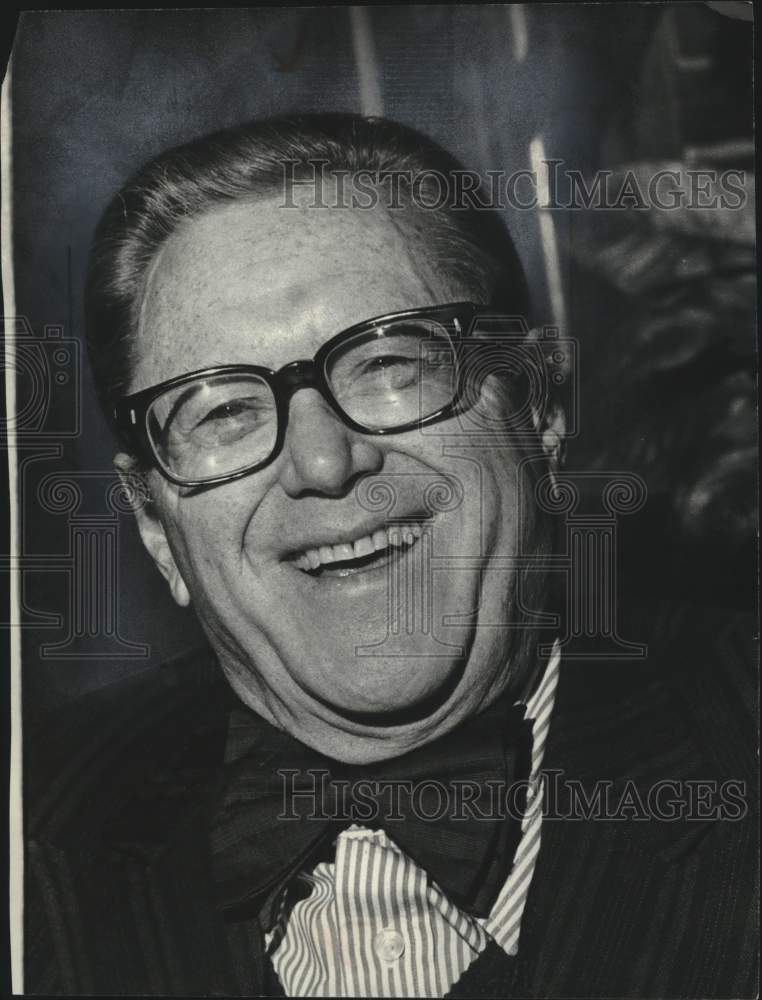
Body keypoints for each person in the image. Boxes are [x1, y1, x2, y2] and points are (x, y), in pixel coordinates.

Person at [25, 114, 756, 998]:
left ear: (538, 407)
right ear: (153, 525)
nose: (325, 463)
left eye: (388, 362)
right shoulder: (33, 834)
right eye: (223, 412)